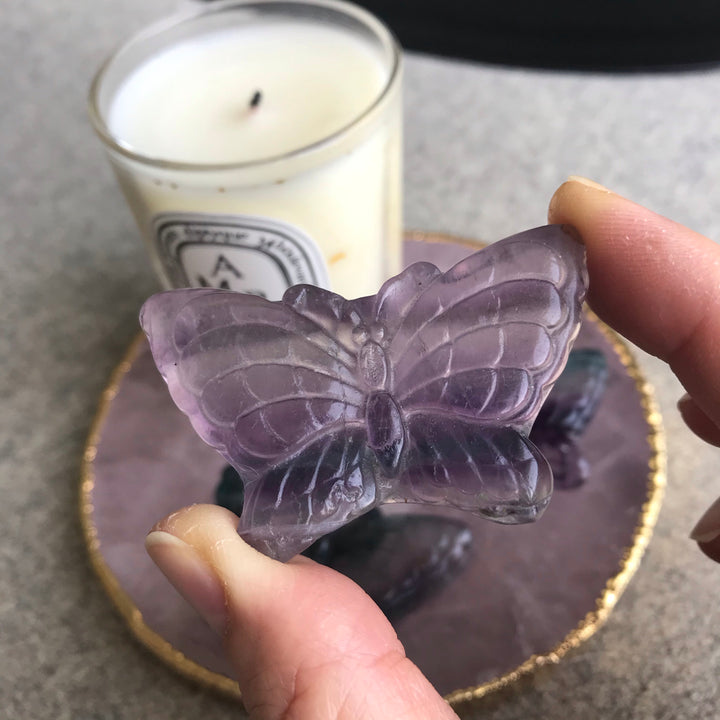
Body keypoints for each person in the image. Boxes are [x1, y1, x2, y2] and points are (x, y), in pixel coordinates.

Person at [144, 177, 720, 719]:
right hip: (372, 449)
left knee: (505, 486)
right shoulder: (443, 319)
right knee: (273, 535)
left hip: (401, 442)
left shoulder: (528, 285)